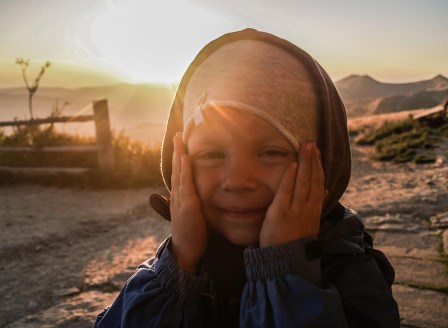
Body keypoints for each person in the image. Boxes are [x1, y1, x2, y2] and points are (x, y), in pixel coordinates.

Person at [94, 28, 400, 327]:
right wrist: (179, 264)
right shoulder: (172, 270)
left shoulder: (352, 275)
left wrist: (285, 273)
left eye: (272, 152)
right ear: (180, 165)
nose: (238, 180)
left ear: (324, 162)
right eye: (212, 154)